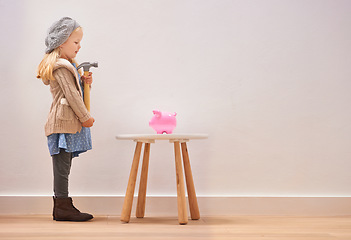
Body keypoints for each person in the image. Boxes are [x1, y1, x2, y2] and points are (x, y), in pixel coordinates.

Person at [37, 17, 95, 221]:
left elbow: (75, 91)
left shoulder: (69, 65)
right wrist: (86, 117)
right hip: (62, 123)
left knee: (65, 166)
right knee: (62, 168)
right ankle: (61, 205)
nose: (80, 46)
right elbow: (71, 96)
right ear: (62, 42)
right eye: (76, 42)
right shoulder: (61, 66)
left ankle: (63, 204)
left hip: (66, 122)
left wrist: (84, 82)